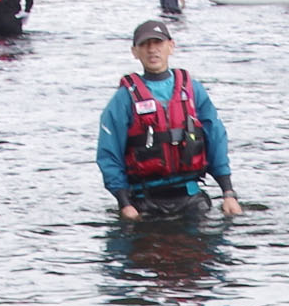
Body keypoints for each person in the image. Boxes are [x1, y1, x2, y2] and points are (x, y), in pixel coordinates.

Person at [96, 21, 243, 222]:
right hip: (144, 203)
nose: (152, 50)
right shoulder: (123, 98)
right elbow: (108, 153)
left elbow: (215, 138)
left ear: (171, 46)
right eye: (145, 45)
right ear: (135, 52)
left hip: (191, 199)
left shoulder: (193, 90)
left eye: (158, 43)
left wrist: (228, 192)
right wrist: (124, 204)